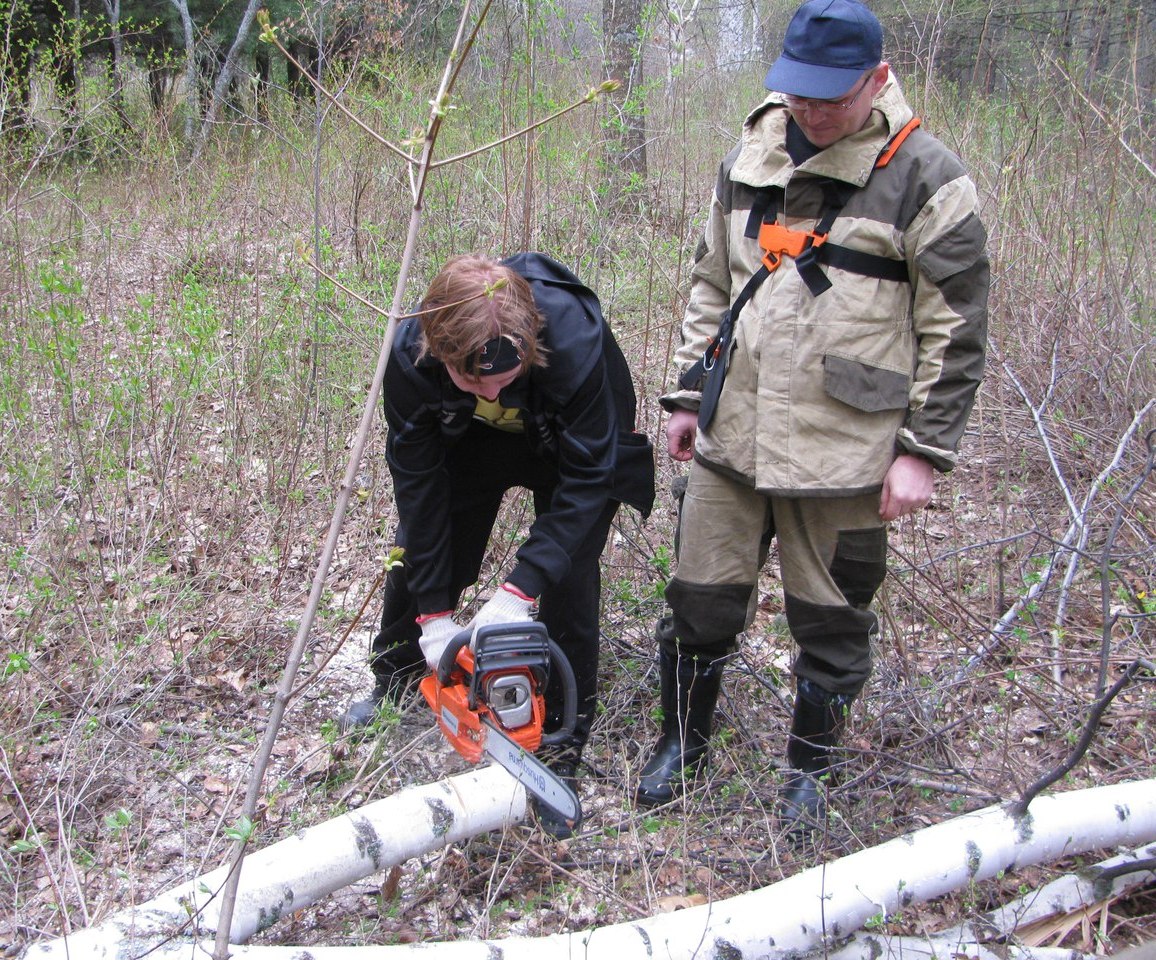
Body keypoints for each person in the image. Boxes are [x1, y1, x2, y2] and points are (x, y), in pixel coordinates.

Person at [634, 0, 989, 833]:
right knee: (699, 601)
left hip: (846, 450)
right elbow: (712, 285)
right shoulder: (747, 159)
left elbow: (959, 328)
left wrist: (924, 453)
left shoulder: (930, 178)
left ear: (877, 77)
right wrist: (690, 396)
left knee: (832, 620)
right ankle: (682, 745)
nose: (813, 112)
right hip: (734, 435)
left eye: (833, 96)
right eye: (800, 94)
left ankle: (810, 773)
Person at [339, 252, 655, 838]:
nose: (489, 385)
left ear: (528, 341)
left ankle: (560, 741)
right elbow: (419, 481)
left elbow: (590, 479)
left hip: (564, 444)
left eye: (501, 375)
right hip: (469, 439)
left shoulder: (575, 342)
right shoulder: (409, 353)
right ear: (435, 351)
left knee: (568, 574)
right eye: (470, 377)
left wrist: (521, 588)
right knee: (425, 546)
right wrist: (434, 614)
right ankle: (399, 675)